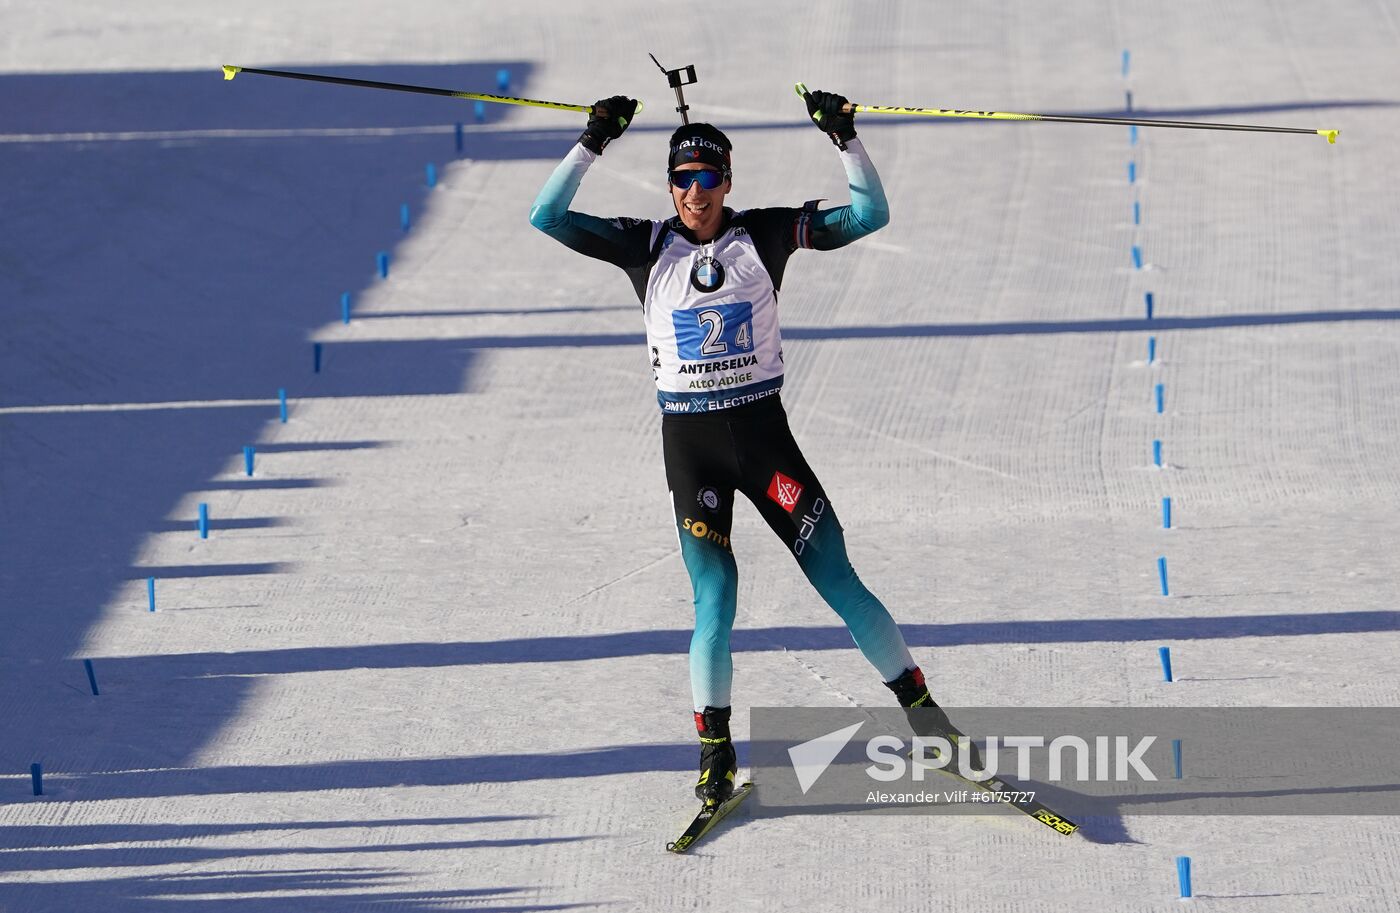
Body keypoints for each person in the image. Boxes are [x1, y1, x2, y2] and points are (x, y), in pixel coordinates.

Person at [529, 89, 974, 807]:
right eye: (682, 180)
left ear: (728, 181)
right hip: (693, 448)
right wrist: (593, 140)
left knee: (840, 581)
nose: (695, 193)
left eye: (708, 179)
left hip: (765, 442)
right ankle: (715, 756)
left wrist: (846, 140)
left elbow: (870, 216)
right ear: (669, 185)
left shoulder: (762, 235)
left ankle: (934, 727)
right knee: (715, 602)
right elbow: (545, 217)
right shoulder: (643, 245)